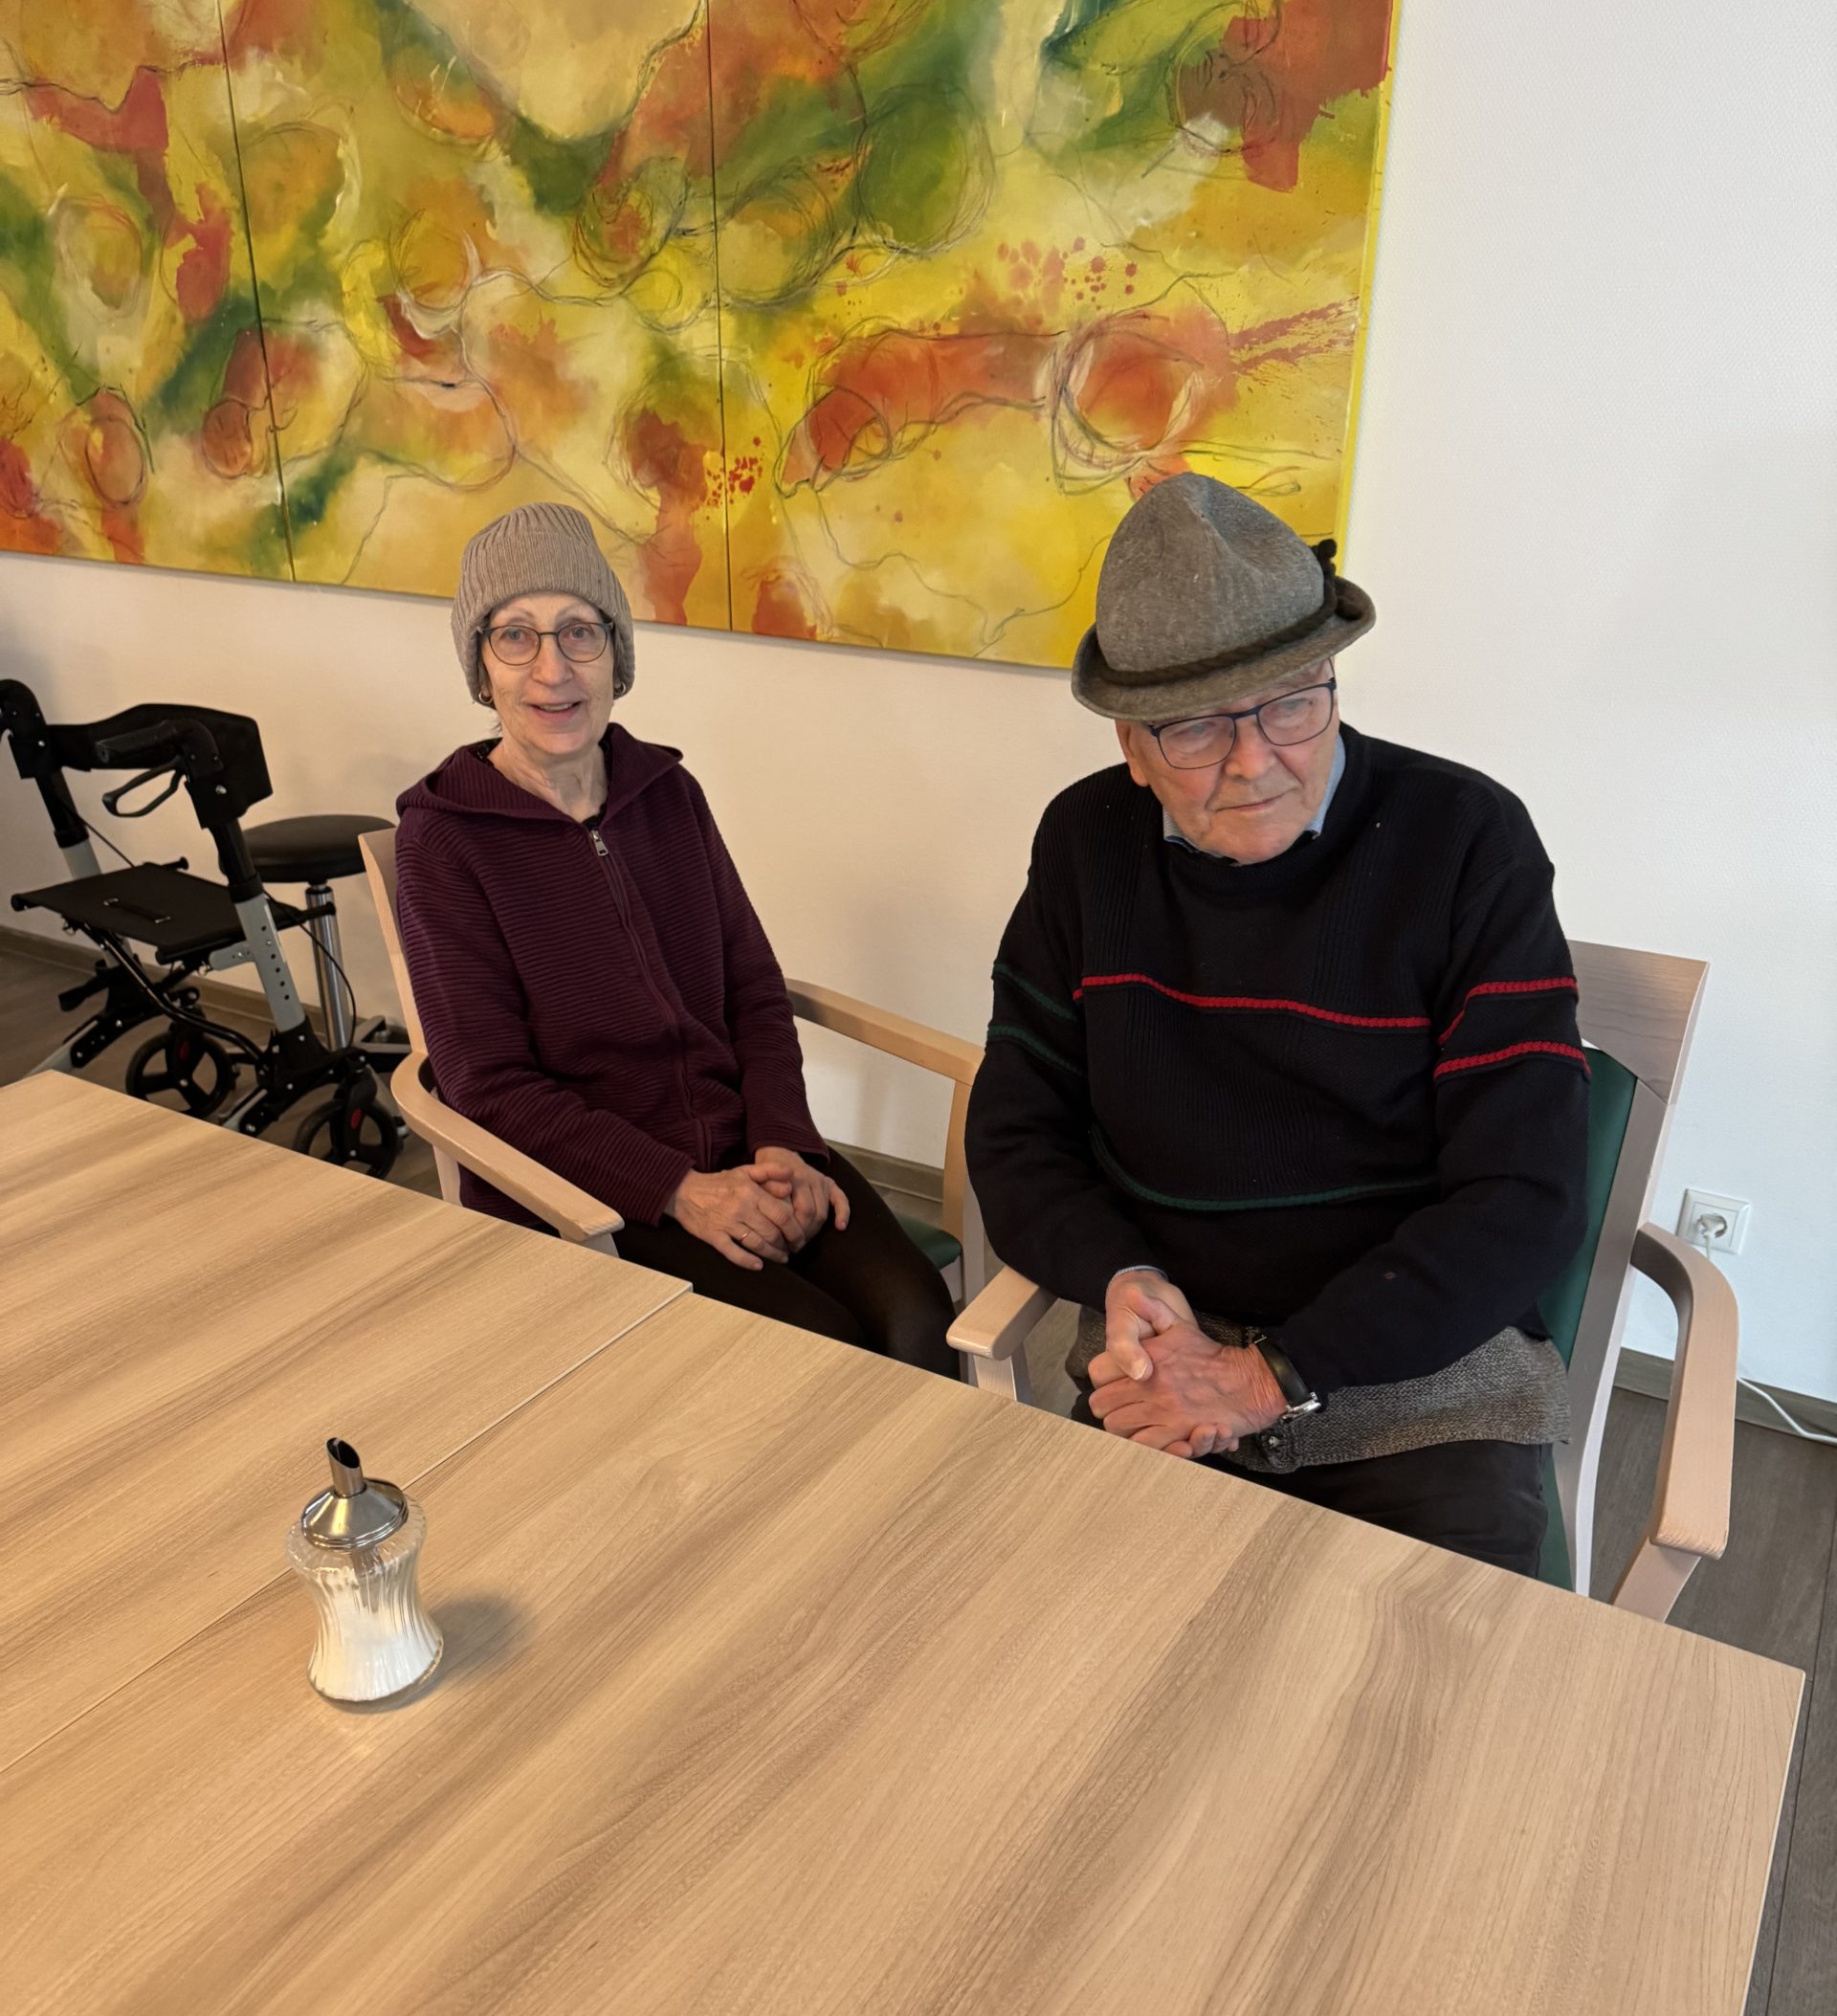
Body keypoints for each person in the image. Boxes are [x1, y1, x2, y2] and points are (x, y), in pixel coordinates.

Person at [965, 475, 1589, 1573]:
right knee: (1063, 1637)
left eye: (1292, 702)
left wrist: (1270, 1376)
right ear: (1131, 744)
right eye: (1197, 726)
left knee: (1430, 1666)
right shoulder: (1084, 844)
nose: (1255, 761)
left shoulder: (1466, 840)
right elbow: (1020, 1127)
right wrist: (1120, 1276)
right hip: (1163, 1356)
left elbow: (1524, 1195)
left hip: (1421, 1387)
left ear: (1332, 684)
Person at [395, 501, 956, 1375]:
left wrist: (784, 1144)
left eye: (580, 631)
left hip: (741, 1142)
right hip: (586, 1188)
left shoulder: (665, 793)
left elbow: (753, 988)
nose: (553, 668)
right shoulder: (444, 840)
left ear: (616, 654)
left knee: (919, 1318)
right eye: (516, 636)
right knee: (822, 1352)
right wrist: (679, 1191)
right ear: (482, 666)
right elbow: (488, 1086)